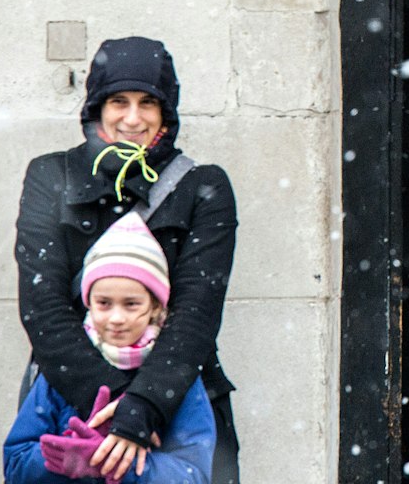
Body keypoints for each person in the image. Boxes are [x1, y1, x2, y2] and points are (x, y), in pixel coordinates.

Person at [15, 36, 241, 481]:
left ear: (166, 111)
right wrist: (115, 406)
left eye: (148, 103)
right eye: (118, 101)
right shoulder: (49, 175)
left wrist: (148, 406)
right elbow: (42, 307)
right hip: (68, 401)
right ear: (97, 107)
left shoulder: (203, 187)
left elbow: (197, 312)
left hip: (179, 409)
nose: (133, 118)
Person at [4, 210, 216, 483]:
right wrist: (62, 458)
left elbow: (194, 473)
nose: (117, 318)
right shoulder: (60, 372)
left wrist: (115, 465)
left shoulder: (176, 378)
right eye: (104, 303)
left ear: (154, 307)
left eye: (131, 304)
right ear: (88, 302)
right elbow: (16, 461)